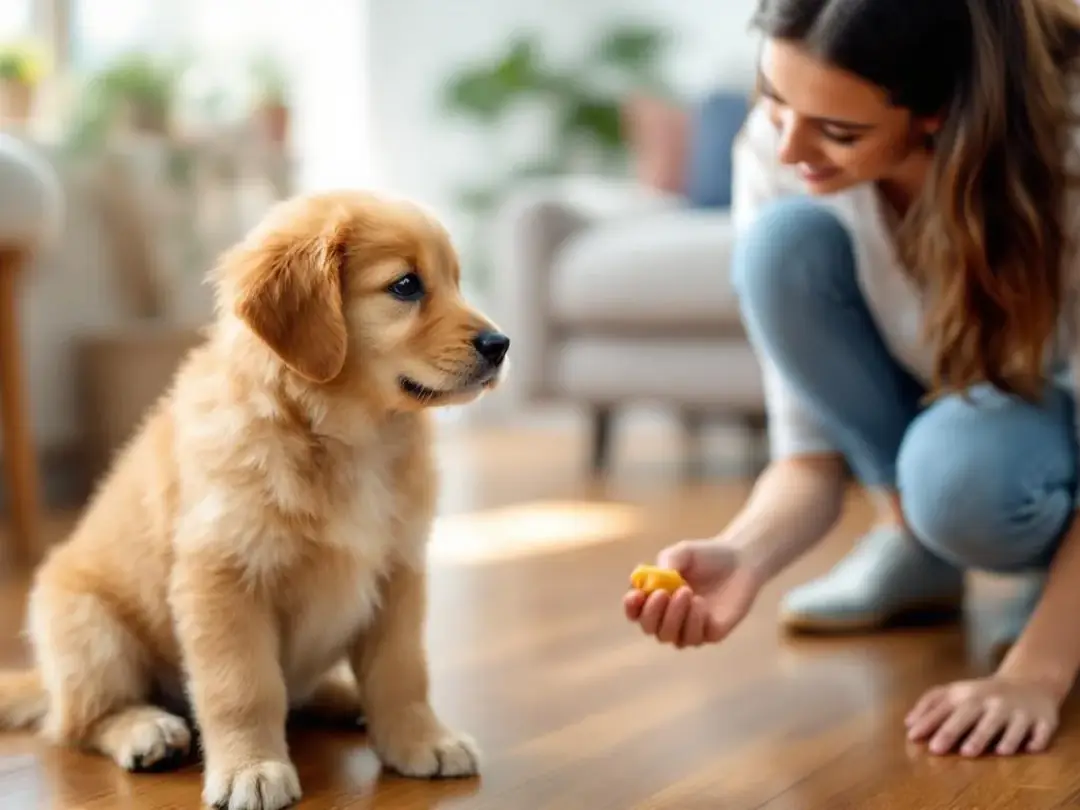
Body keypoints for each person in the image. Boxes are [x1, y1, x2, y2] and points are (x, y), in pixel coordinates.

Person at [625, 0, 1080, 759]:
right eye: (774, 96)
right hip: (947, 434)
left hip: (1032, 446)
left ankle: (1051, 589)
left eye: (839, 131)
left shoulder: (1065, 154)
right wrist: (743, 555)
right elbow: (808, 455)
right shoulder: (777, 144)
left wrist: (1038, 669)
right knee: (779, 249)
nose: (788, 145)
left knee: (960, 478)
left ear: (937, 114)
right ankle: (915, 545)